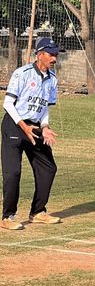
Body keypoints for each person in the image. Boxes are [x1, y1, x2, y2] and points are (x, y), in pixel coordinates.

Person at [0, 37, 62, 230]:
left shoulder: (53, 79)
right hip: (14, 125)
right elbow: (7, 103)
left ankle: (37, 212)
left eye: (56, 55)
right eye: (51, 54)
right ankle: (7, 216)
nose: (54, 58)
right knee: (13, 173)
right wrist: (23, 126)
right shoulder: (22, 74)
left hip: (34, 127)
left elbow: (44, 108)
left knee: (48, 168)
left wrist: (44, 127)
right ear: (40, 54)